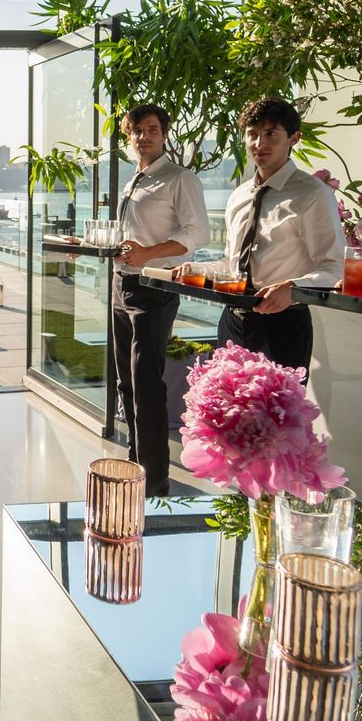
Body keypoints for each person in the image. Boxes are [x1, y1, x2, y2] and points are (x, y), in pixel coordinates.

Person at [110, 103, 211, 493]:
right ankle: (135, 462)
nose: (143, 136)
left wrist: (148, 254)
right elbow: (132, 235)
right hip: (123, 284)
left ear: (164, 133)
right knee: (126, 381)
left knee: (146, 382)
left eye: (151, 129)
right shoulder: (135, 179)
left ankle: (153, 479)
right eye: (136, 130)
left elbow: (197, 233)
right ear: (128, 136)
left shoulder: (179, 178)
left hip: (154, 287)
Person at [216, 98, 344, 371]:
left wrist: (293, 288)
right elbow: (230, 262)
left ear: (293, 138)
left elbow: (336, 267)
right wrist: (190, 268)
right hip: (231, 319)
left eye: (270, 134)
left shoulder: (313, 195)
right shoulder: (239, 196)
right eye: (252, 134)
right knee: (225, 411)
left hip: (283, 325)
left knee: (276, 413)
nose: (259, 143)